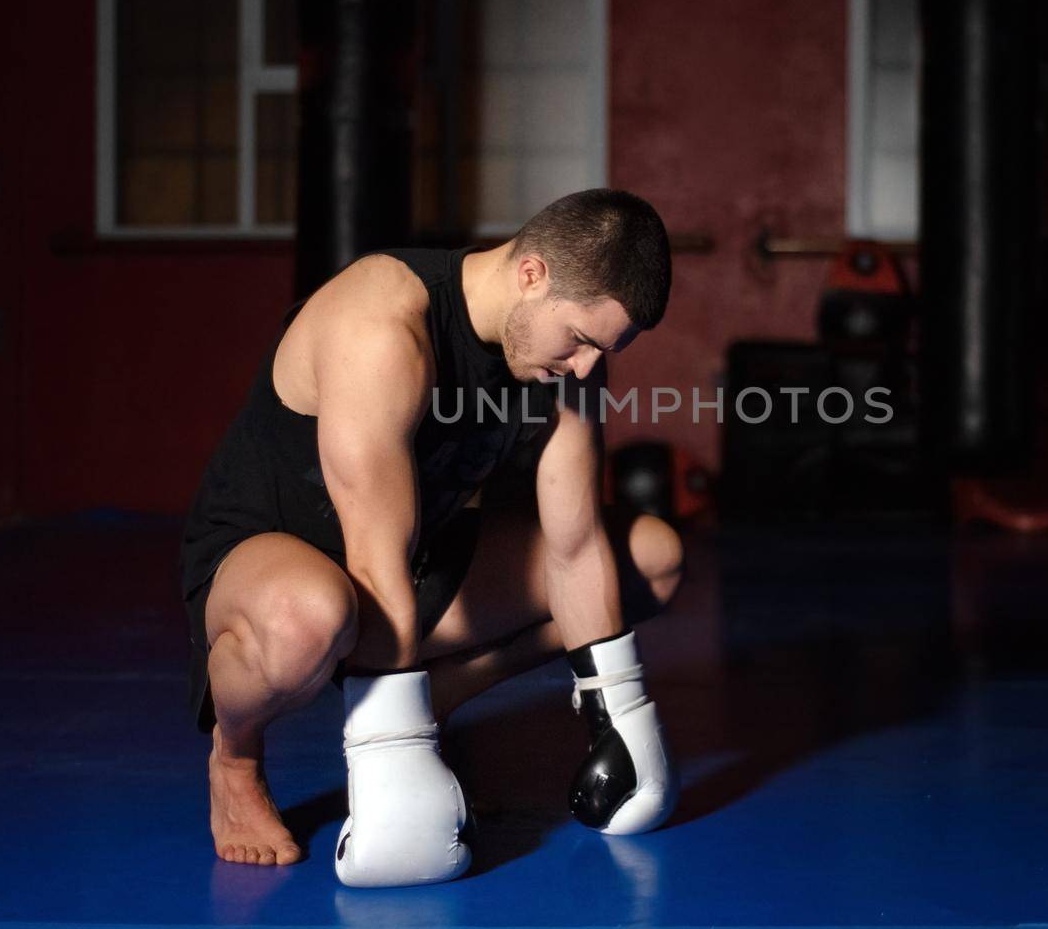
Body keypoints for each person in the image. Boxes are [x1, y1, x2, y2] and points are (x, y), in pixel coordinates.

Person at [177, 189, 684, 880]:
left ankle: (439, 693)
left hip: (422, 558)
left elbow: (574, 543)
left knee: (651, 559)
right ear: (532, 274)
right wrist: (394, 752)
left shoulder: (566, 359)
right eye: (583, 341)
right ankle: (233, 754)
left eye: (606, 348)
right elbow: (374, 559)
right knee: (314, 615)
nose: (590, 368)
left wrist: (618, 712)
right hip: (277, 564)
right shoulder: (384, 327)